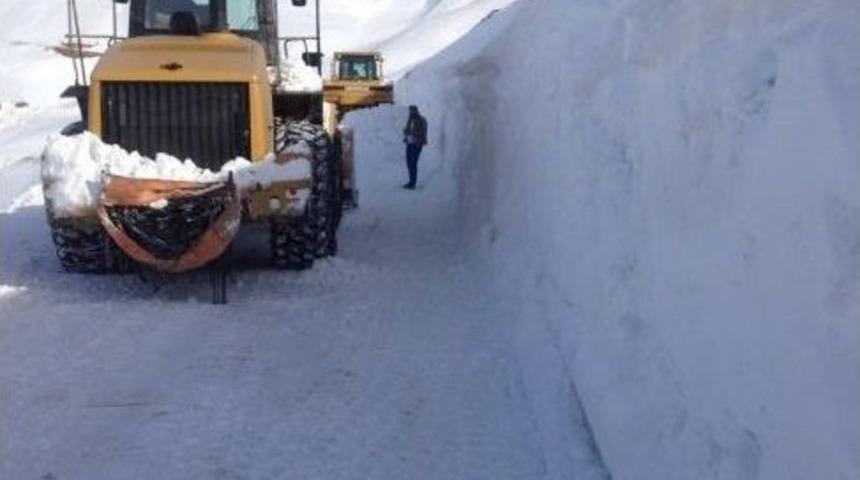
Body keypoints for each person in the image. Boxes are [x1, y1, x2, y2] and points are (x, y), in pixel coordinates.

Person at [402, 105, 428, 190]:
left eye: (412, 111)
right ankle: (410, 181)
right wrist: (406, 134)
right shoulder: (410, 120)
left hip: (417, 144)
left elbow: (422, 133)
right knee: (409, 163)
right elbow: (409, 130)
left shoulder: (422, 120)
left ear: (416, 111)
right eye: (410, 111)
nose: (410, 112)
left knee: (413, 163)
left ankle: (412, 183)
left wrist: (411, 132)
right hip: (409, 143)